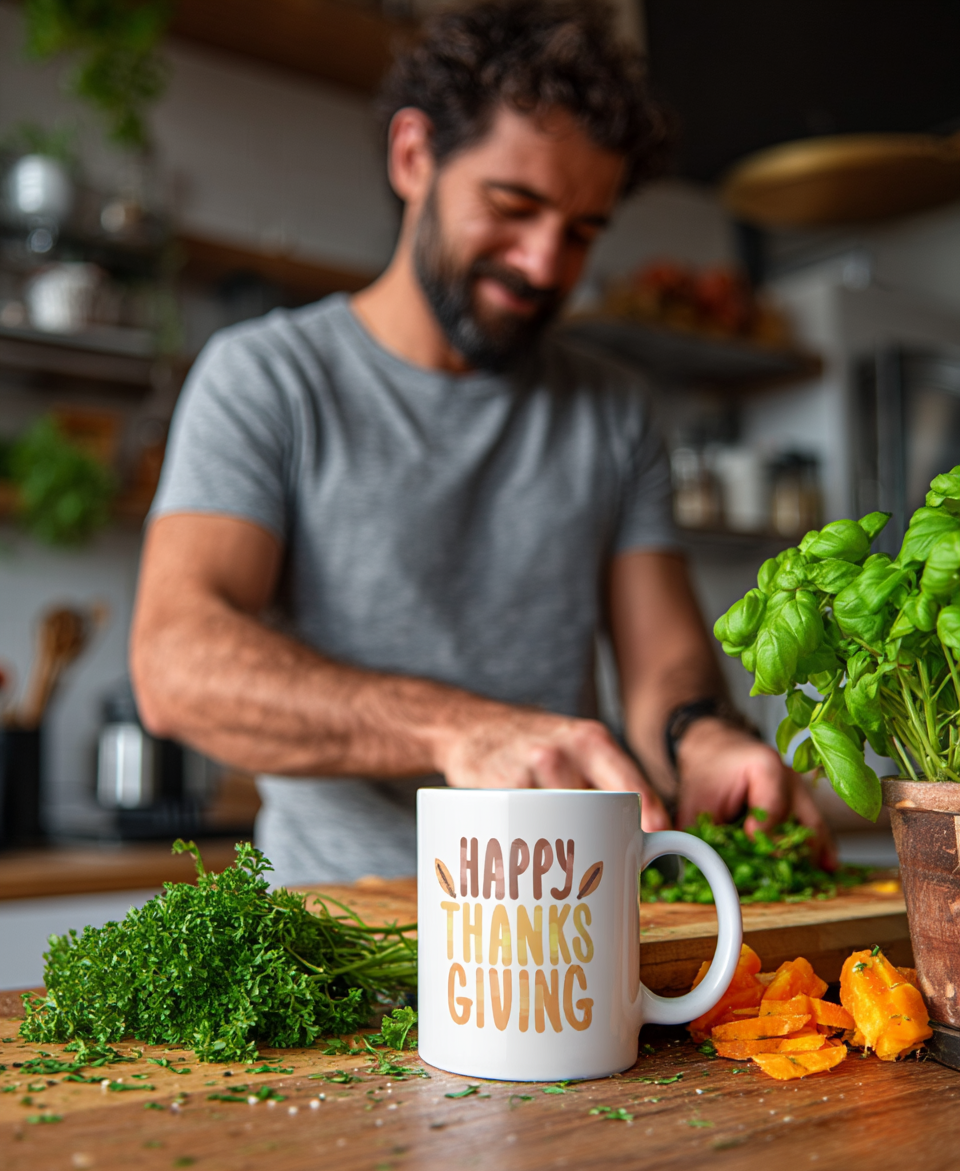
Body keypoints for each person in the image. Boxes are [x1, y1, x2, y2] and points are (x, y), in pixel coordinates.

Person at [130, 0, 832, 885]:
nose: (544, 264)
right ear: (414, 156)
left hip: (568, 924)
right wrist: (456, 727)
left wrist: (704, 737)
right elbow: (175, 663)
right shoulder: (268, 379)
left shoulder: (612, 409)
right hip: (343, 937)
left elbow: (665, 666)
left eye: (581, 232)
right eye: (514, 205)